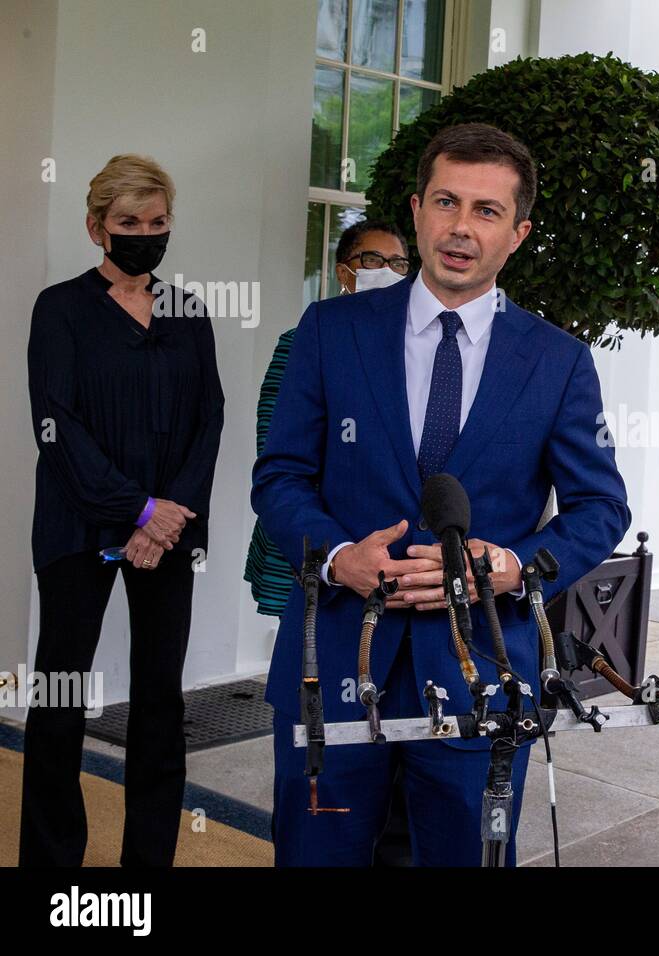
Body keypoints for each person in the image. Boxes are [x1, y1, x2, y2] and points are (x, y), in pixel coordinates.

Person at [252, 122, 630, 866]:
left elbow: (601, 509)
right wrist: (335, 557)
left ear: (518, 233)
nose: (462, 228)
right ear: (419, 208)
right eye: (447, 202)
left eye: (487, 211)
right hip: (331, 660)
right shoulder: (330, 330)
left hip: (481, 674)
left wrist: (518, 566)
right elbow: (279, 477)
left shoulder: (557, 361)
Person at [22, 154, 225, 866]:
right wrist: (139, 509)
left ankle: (146, 868)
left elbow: (210, 420)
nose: (145, 233)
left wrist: (169, 518)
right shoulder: (61, 310)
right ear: (96, 227)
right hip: (80, 528)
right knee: (59, 702)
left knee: (160, 705)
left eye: (158, 221)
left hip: (169, 535)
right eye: (129, 222)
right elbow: (58, 426)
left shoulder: (187, 312)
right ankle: (52, 863)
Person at [243, 220, 410, 618]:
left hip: (387, 548)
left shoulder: (413, 350)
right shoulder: (305, 340)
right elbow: (276, 448)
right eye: (372, 259)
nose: (386, 270)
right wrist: (336, 545)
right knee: (307, 656)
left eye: (399, 263)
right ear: (343, 272)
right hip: (314, 535)